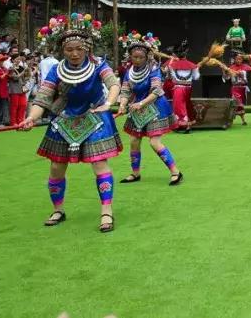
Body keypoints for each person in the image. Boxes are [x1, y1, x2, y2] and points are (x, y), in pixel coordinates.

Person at [19, 14, 122, 233]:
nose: (74, 54)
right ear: (62, 51)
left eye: (79, 49)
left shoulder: (98, 65)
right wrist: (31, 118)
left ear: (87, 48)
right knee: (56, 167)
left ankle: (106, 211)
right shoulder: (57, 70)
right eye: (69, 50)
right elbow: (43, 98)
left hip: (94, 116)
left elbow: (113, 84)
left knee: (99, 164)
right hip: (64, 119)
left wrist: (109, 103)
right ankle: (58, 209)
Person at [116, 33, 181, 186]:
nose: (137, 60)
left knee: (154, 142)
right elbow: (125, 91)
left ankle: (175, 171)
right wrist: (122, 105)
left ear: (147, 57)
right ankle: (135, 173)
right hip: (138, 106)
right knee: (133, 140)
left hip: (156, 106)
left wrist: (141, 104)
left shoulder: (154, 69)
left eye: (140, 57)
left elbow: (157, 90)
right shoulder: (129, 71)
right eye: (134, 57)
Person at [166, 44, 200, 133]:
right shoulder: (193, 65)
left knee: (179, 106)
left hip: (178, 88)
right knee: (186, 104)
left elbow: (172, 77)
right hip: (188, 88)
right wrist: (196, 69)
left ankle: (185, 125)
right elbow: (196, 77)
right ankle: (186, 124)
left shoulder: (172, 65)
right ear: (186, 55)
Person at [223, 52, 251, 126]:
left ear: (242, 60)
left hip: (243, 88)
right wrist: (224, 71)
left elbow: (246, 79)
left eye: (240, 59)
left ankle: (242, 120)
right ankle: (231, 120)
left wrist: (240, 74)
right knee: (236, 104)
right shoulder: (231, 68)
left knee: (240, 105)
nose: (239, 60)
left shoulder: (245, 67)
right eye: (237, 59)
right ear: (234, 60)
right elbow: (226, 78)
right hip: (235, 88)